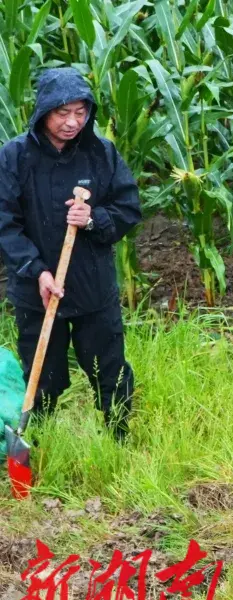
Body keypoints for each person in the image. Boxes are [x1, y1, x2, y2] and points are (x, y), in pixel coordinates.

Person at [0, 67, 140, 441]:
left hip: (92, 286)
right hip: (37, 290)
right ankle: (40, 440)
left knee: (109, 369)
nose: (72, 122)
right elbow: (5, 223)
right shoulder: (14, 156)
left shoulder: (102, 153)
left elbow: (128, 208)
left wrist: (93, 218)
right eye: (62, 113)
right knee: (42, 375)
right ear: (44, 111)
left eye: (80, 112)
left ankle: (118, 438)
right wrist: (36, 271)